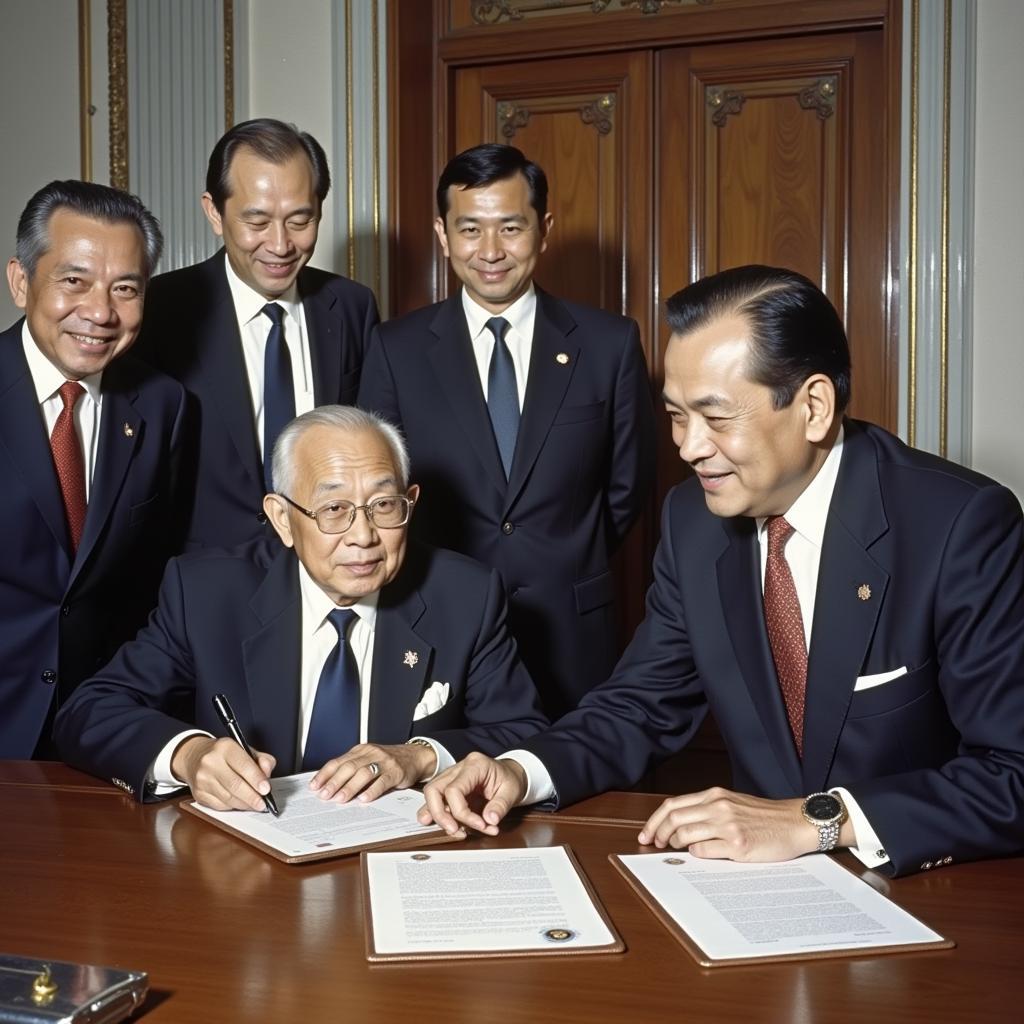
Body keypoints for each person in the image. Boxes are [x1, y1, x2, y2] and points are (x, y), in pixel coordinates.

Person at [419, 265, 1024, 877]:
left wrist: (819, 820)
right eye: (677, 415)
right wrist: (522, 771)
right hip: (756, 891)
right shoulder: (692, 519)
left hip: (927, 888)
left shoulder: (960, 525)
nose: (688, 447)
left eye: (716, 416)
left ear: (813, 407)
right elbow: (640, 705)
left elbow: (1014, 774)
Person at [55, 406, 548, 810]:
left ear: (410, 503)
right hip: (248, 869)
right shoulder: (206, 592)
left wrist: (421, 757)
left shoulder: (465, 595)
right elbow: (89, 712)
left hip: (403, 859)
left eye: (384, 506)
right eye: (334, 510)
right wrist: (189, 755)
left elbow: (526, 732)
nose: (364, 536)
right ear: (283, 519)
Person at [358, 143, 655, 718]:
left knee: (575, 789)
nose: (490, 251)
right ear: (444, 235)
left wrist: (563, 553)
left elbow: (627, 488)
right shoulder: (396, 349)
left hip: (572, 630)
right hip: (438, 624)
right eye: (470, 229)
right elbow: (381, 492)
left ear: (543, 230)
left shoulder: (607, 344)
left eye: (510, 228)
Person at [0, 180, 185, 759]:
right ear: (21, 282)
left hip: (101, 737)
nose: (101, 312)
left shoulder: (164, 406)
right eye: (74, 280)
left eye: (125, 288)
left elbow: (157, 574)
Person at [135, 117, 379, 550]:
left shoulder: (352, 307)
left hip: (323, 570)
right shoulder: (160, 310)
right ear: (214, 212)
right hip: (203, 579)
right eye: (257, 221)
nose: (281, 244)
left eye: (300, 220)